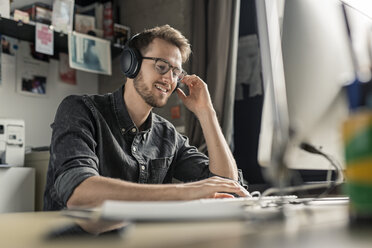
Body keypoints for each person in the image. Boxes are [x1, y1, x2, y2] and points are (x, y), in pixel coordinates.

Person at [44, 25, 249, 211]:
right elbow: (78, 192)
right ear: (130, 64)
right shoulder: (80, 110)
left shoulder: (168, 136)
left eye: (176, 72)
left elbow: (229, 188)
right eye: (161, 66)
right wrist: (184, 192)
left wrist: (207, 113)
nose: (170, 79)